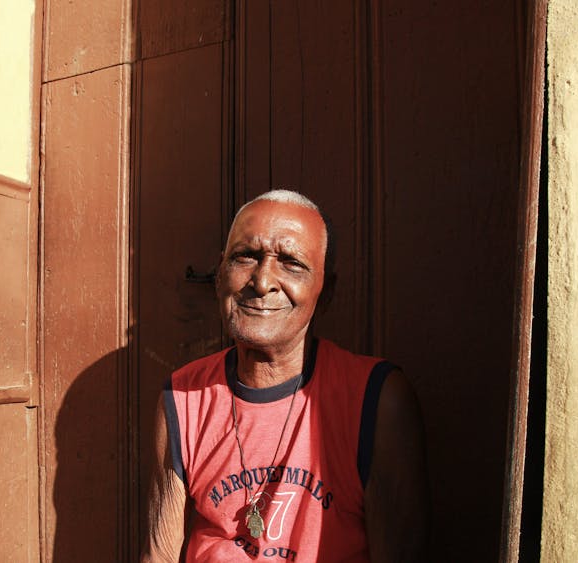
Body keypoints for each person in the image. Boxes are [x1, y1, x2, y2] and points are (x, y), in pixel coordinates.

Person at [143, 189, 429, 562]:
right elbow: (158, 555)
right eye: (246, 257)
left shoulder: (375, 399)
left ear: (325, 292)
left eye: (291, 263)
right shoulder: (183, 396)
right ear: (219, 275)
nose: (262, 281)